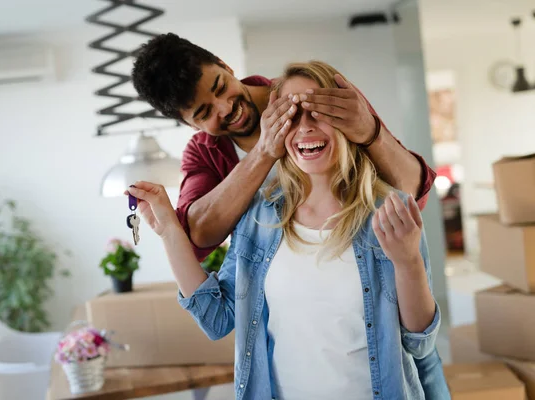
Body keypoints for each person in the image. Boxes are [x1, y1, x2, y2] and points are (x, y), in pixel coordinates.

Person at [126, 61, 449, 400]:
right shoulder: (259, 216)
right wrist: (168, 233)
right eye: (291, 116)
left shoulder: (389, 211)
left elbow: (421, 342)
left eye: (315, 111)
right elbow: (216, 317)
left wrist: (408, 261)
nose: (304, 127)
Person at [131, 33, 437, 261]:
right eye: (204, 113)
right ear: (190, 125)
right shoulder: (203, 153)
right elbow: (198, 235)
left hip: (367, 267)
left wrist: (371, 132)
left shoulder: (312, 88)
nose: (225, 108)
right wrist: (264, 152)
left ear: (225, 66)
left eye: (221, 86)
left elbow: (412, 191)